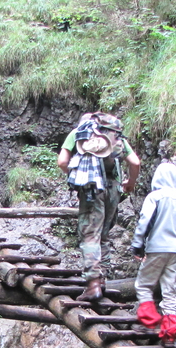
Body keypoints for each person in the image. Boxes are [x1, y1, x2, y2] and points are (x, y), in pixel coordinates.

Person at [57, 112, 140, 302]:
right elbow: (135, 162)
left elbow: (62, 161)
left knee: (90, 235)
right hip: (114, 188)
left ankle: (93, 284)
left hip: (92, 188)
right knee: (103, 235)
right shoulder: (114, 134)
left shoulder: (78, 133)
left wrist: (76, 173)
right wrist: (130, 183)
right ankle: (102, 280)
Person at [130, 162, 176, 347]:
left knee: (143, 285)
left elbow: (145, 222)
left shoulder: (154, 197)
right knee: (170, 291)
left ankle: (149, 322)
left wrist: (138, 246)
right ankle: (170, 333)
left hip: (157, 248)